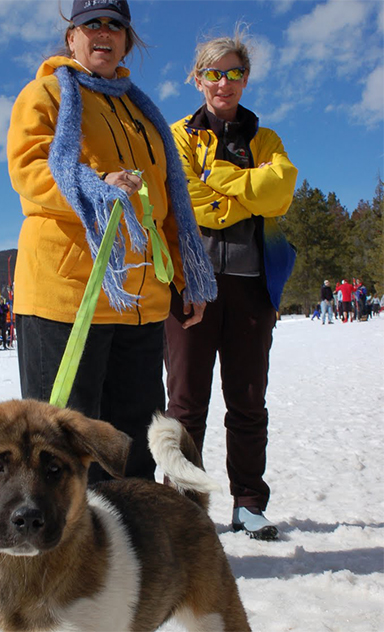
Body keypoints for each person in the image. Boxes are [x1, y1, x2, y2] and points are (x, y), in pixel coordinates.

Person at [7, 0, 216, 482]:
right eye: (92, 23)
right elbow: (31, 171)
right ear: (72, 37)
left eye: (116, 25)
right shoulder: (45, 95)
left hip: (138, 303)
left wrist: (184, 280)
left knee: (135, 449)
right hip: (67, 301)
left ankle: (134, 553)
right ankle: (71, 557)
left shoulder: (140, 112)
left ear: (126, 38)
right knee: (63, 450)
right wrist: (100, 187)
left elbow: (161, 205)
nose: (105, 32)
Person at [164, 29, 298, 540]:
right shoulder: (178, 134)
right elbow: (187, 201)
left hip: (250, 286)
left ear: (246, 79)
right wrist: (248, 190)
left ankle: (247, 502)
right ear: (198, 79)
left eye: (235, 72)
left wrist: (217, 177)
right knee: (186, 403)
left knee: (247, 400)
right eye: (214, 73)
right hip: (190, 285)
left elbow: (281, 192)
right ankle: (183, 505)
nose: (225, 82)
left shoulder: (266, 139)